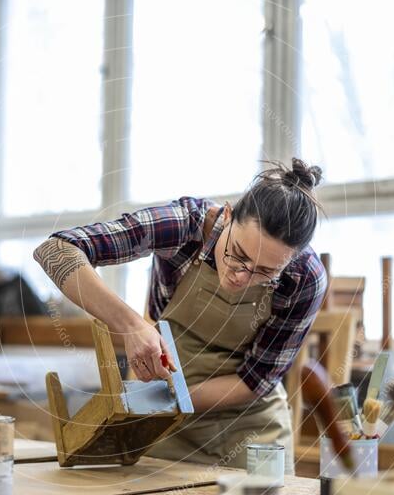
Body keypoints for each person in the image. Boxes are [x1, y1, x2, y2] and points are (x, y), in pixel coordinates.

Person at [33, 158, 327, 471]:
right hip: (170, 424)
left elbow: (256, 379)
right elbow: (55, 251)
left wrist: (172, 399)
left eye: (265, 271)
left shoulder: (305, 278)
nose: (241, 277)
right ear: (227, 216)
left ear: (290, 261)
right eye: (238, 254)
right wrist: (131, 325)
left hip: (251, 424)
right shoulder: (184, 225)